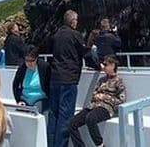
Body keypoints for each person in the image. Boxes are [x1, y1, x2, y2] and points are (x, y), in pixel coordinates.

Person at [48, 9, 87, 147]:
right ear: (72, 21)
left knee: (53, 115)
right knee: (65, 117)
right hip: (68, 79)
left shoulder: (56, 35)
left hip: (54, 79)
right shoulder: (75, 35)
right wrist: (98, 65)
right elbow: (85, 53)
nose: (77, 23)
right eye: (76, 20)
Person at [68, 55, 126, 147]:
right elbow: (94, 94)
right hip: (93, 106)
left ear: (113, 65)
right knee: (72, 124)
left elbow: (121, 101)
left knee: (90, 119)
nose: (104, 67)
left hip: (106, 108)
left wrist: (104, 97)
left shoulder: (119, 82)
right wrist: (96, 96)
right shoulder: (101, 80)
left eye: (106, 64)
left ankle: (100, 145)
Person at [12, 45, 51, 109]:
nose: (29, 63)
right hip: (25, 100)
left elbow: (49, 84)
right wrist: (18, 100)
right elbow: (15, 84)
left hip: (40, 99)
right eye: (27, 60)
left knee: (37, 110)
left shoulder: (44, 67)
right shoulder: (22, 68)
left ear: (36, 59)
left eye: (32, 60)